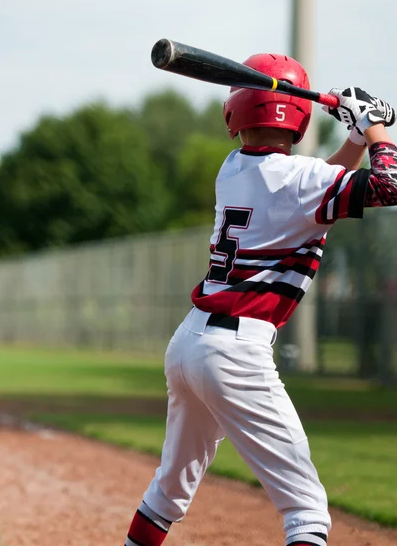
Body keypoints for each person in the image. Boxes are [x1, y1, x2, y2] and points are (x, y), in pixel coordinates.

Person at [123, 53, 397, 546]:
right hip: (237, 354)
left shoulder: (234, 170)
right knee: (307, 511)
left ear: (237, 112)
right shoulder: (300, 181)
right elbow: (387, 184)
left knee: (168, 491)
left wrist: (356, 138)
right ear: (299, 117)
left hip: (189, 344)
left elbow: (320, 192)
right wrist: (376, 130)